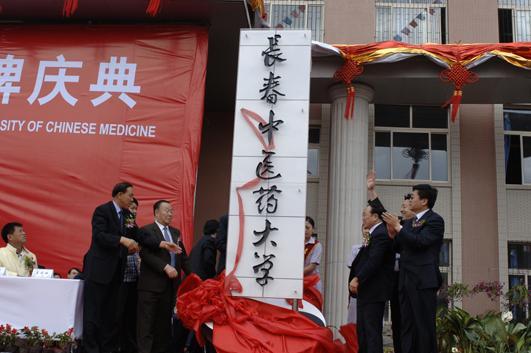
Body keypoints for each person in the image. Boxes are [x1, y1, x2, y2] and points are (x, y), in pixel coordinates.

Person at [82, 182, 178, 353]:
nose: (132, 199)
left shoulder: (127, 215)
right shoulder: (102, 211)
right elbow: (100, 235)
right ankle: (91, 349)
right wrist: (122, 240)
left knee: (112, 316)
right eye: (130, 195)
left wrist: (161, 243)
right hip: (98, 271)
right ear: (119, 195)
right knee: (94, 314)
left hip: (117, 273)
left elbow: (139, 235)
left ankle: (108, 349)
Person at [382, 184, 444, 353]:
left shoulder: (434, 220)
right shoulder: (411, 222)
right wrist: (392, 233)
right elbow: (398, 247)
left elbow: (420, 242)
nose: (410, 200)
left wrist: (399, 227)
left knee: (423, 326)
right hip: (405, 280)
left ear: (424, 201)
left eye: (413, 196)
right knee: (406, 325)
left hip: (423, 280)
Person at [137, 200, 191, 353]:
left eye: (171, 211)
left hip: (170, 288)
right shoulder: (147, 230)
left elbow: (183, 256)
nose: (170, 213)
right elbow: (145, 254)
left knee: (163, 328)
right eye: (166, 210)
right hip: (150, 287)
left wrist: (195, 276)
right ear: (156, 213)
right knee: (146, 326)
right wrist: (164, 267)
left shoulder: (175, 232)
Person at [348, 205, 394, 353]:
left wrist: (358, 278)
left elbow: (374, 261)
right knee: (363, 332)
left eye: (364, 215)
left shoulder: (381, 234)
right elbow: (364, 255)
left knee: (371, 332)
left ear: (375, 217)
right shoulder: (372, 234)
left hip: (374, 291)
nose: (362, 218)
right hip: (366, 290)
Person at [119, 197, 141, 353]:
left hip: (135, 277)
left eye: (135, 209)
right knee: (119, 313)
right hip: (121, 278)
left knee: (131, 315)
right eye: (131, 208)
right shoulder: (120, 226)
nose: (133, 212)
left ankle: (130, 346)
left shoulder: (135, 228)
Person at [304, 216, 322, 293]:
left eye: (307, 228)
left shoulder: (317, 245)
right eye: (303, 227)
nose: (305, 230)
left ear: (313, 229)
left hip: (311, 282)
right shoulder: (295, 243)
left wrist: (296, 275)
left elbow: (312, 266)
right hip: (298, 281)